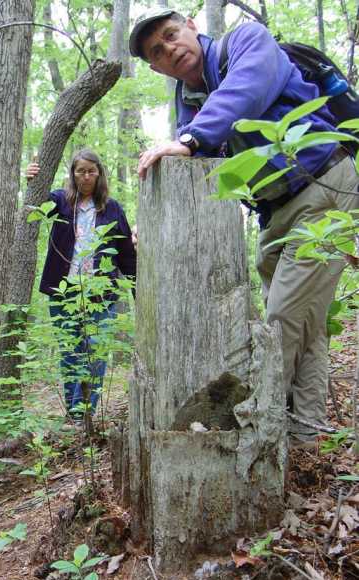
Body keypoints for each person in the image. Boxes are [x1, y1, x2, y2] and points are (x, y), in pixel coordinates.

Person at [129, 9, 359, 448]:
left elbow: (246, 91)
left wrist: (192, 139)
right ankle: (305, 436)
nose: (170, 49)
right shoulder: (190, 103)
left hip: (325, 185)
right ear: (155, 67)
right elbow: (195, 171)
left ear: (193, 27)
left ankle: (257, 430)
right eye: (157, 51)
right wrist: (151, 227)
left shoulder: (247, 43)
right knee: (303, 324)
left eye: (172, 35)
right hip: (274, 214)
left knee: (281, 321)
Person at [26, 150, 137, 416]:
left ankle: (80, 415)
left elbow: (125, 255)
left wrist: (138, 291)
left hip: (101, 293)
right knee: (70, 355)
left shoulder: (112, 209)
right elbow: (37, 202)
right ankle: (75, 417)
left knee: (96, 353)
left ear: (99, 173)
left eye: (91, 171)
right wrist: (32, 180)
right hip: (64, 292)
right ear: (73, 174)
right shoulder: (61, 202)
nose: (86, 177)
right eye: (80, 171)